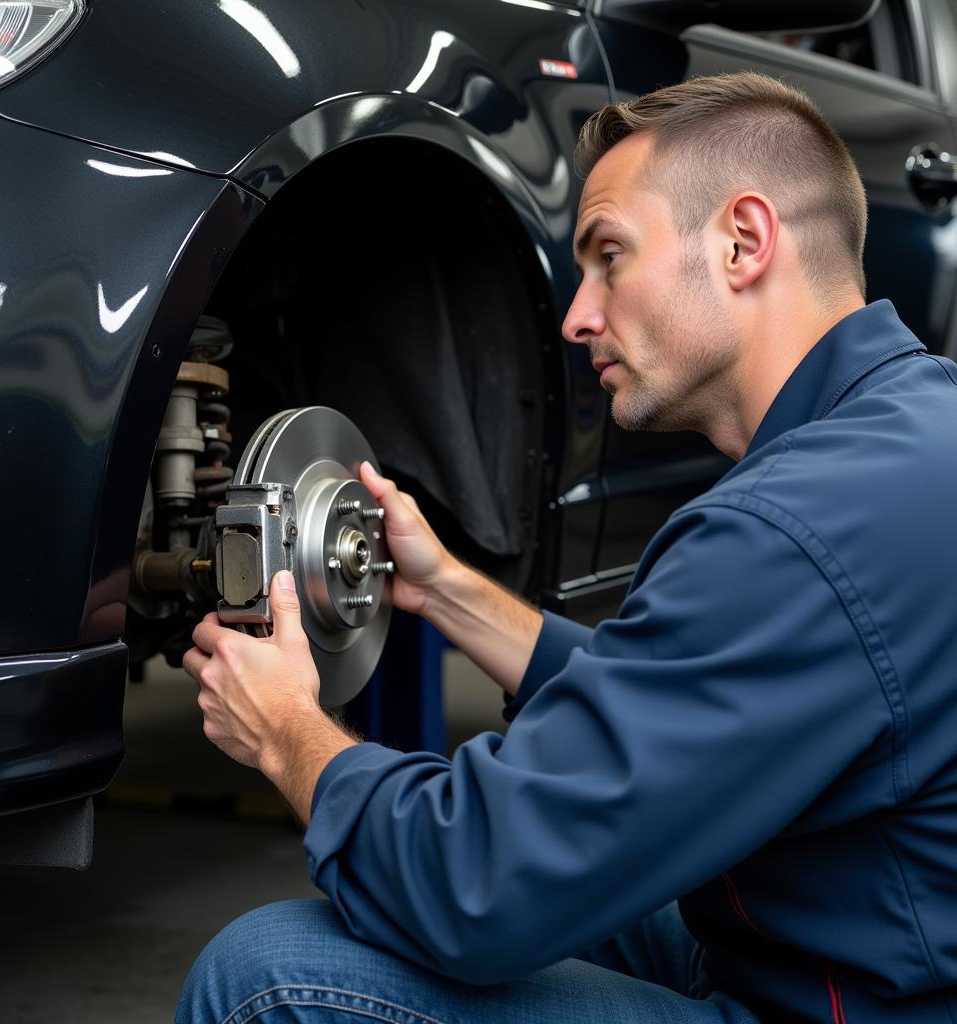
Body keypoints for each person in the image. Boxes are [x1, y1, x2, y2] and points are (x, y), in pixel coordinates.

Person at [177, 72, 957, 1023]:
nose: (577, 316)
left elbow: (479, 886)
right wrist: (449, 591)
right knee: (617, 881)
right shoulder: (911, 430)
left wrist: (290, 732)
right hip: (877, 940)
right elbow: (701, 694)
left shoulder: (790, 533)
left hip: (854, 1001)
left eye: (609, 258)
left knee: (268, 973)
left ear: (744, 242)